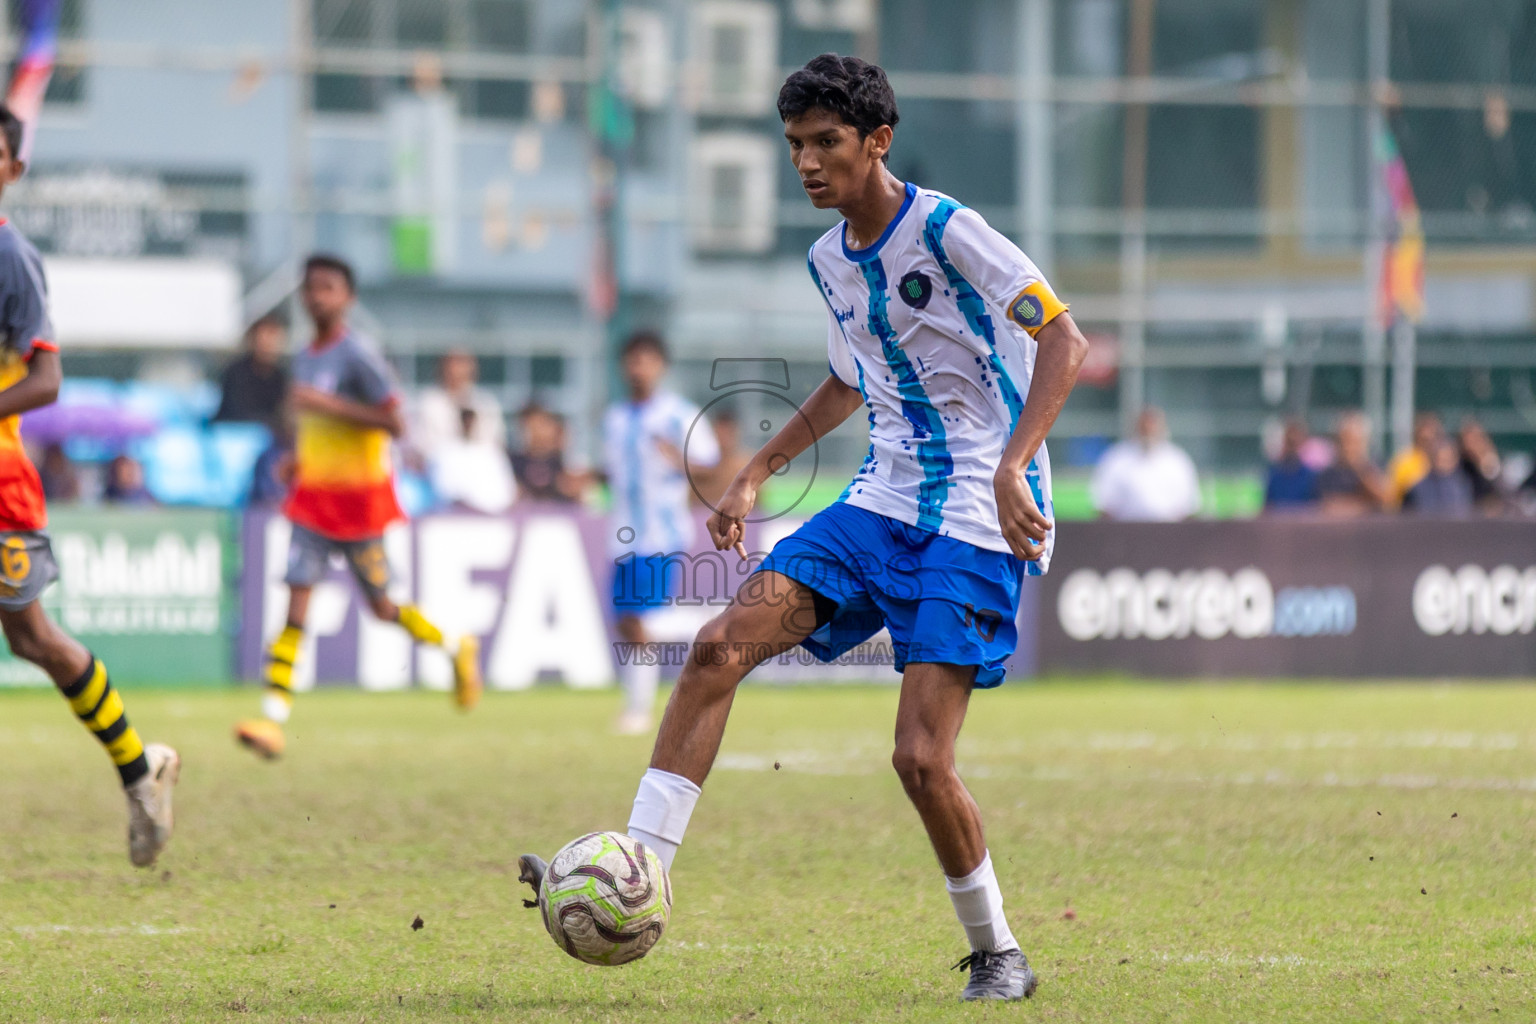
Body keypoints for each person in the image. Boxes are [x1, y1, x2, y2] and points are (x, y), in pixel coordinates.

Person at [522, 55, 1087, 1001]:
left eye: (826, 142)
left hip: (978, 523)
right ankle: (641, 869)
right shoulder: (829, 261)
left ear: (878, 141)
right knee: (715, 648)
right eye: (795, 145)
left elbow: (1064, 339)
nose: (808, 163)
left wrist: (1010, 461)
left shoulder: (952, 232)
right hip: (878, 504)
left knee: (918, 759)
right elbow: (849, 378)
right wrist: (758, 469)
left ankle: (999, 953)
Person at [0, 104, 178, 866]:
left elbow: (46, 379)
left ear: (13, 168)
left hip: (1, 484)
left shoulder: (12, 259)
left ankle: (141, 772)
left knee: (34, 637)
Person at [234, 255, 483, 760]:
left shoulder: (359, 355)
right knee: (295, 604)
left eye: (328, 288)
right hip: (312, 502)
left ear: (347, 297)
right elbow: (316, 427)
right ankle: (272, 718)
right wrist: (297, 463)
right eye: (310, 288)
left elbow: (394, 424)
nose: (316, 297)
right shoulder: (305, 356)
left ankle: (457, 646)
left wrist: (328, 406)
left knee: (383, 608)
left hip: (359, 507)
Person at [601, 330, 718, 736]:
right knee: (626, 623)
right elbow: (615, 471)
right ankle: (636, 708)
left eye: (646, 360)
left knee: (640, 621)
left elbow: (710, 465)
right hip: (622, 533)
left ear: (660, 366)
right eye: (632, 360)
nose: (638, 368)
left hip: (661, 533)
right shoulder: (615, 417)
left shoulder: (678, 414)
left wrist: (677, 457)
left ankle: (638, 710)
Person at [1089, 407, 1201, 521]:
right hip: (1126, 533)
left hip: (1170, 533)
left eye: (1152, 428)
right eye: (1144, 429)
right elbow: (1104, 506)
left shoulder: (1178, 460)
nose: (1148, 433)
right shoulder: (1116, 458)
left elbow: (1189, 508)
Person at [413, 349, 505, 459]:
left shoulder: (486, 403)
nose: (455, 369)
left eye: (461, 363)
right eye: (452, 363)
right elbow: (422, 445)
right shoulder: (428, 402)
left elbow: (496, 443)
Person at [428, 406, 516, 513]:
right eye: (465, 421)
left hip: (492, 519)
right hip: (454, 517)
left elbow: (507, 492)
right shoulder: (444, 452)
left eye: (471, 420)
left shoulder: (492, 452)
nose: (468, 425)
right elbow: (444, 490)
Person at [213, 315, 289, 428]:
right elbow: (237, 413)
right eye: (264, 342)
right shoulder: (236, 373)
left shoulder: (280, 377)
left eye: (272, 342)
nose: (269, 347)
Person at [1316, 411, 1389, 517]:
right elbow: (1329, 507)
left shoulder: (1378, 466)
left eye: (1353, 441)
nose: (1347, 446)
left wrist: (1359, 466)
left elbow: (1385, 500)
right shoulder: (1328, 474)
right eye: (1343, 440)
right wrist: (1364, 505)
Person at [510, 402, 583, 503]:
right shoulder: (513, 463)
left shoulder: (569, 465)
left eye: (540, 424)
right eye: (529, 426)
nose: (535, 432)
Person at [688, 407, 752, 510]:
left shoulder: (746, 465)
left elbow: (757, 508)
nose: (723, 438)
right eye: (720, 432)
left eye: (728, 432)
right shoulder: (698, 463)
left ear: (735, 433)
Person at [1402, 438, 1474, 516]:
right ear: (1432, 460)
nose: (1445, 465)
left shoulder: (1463, 485)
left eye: (1448, 460)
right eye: (1441, 460)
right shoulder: (1416, 490)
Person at [1386, 411, 1443, 508]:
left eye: (1433, 437)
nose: (1429, 444)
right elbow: (1391, 495)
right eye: (1425, 440)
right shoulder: (1404, 461)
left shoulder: (1445, 460)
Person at [1262, 418, 1319, 512]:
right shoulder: (1273, 475)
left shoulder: (1311, 477)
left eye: (1295, 443)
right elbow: (1267, 508)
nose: (1292, 448)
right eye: (1289, 442)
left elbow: (1316, 509)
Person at [1456, 416, 1505, 512]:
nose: (1469, 445)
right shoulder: (1462, 465)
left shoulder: (1494, 461)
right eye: (1466, 441)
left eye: (1474, 439)